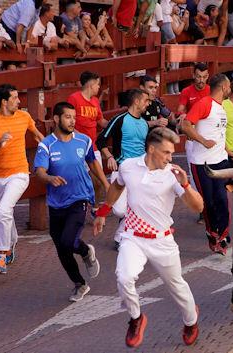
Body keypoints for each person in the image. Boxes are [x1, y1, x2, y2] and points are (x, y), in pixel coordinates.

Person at [93, 127, 204, 348]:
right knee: (124, 277)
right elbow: (117, 186)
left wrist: (185, 184)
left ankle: (191, 322)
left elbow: (198, 206)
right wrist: (103, 212)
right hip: (132, 237)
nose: (170, 158)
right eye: (166, 152)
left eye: (172, 153)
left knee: (176, 286)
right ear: (152, 149)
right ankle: (136, 318)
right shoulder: (128, 167)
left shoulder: (173, 175)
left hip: (162, 240)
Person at [34, 102, 109, 302]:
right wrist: (49, 178)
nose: (72, 121)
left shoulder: (83, 141)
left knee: (68, 240)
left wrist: (106, 184)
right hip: (56, 202)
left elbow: (93, 162)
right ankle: (80, 284)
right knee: (61, 247)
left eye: (74, 117)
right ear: (57, 119)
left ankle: (85, 251)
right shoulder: (46, 145)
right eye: (68, 117)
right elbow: (40, 171)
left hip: (80, 197)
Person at [0, 84, 44, 274]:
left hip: (20, 173)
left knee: (3, 210)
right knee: (4, 213)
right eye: (15, 98)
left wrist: (49, 150)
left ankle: (2, 255)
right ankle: (12, 242)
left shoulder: (24, 116)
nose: (19, 101)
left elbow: (39, 136)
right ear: (4, 102)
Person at [181, 73, 233, 255]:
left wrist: (228, 151)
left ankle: (223, 234)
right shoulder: (204, 103)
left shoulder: (221, 107)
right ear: (223, 87)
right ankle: (212, 234)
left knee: (222, 199)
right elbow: (186, 125)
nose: (230, 90)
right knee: (209, 202)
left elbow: (219, 134)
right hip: (202, 163)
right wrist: (203, 141)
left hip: (220, 160)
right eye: (229, 86)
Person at [96, 88, 150, 248]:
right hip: (121, 169)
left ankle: (121, 237)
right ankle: (126, 231)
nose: (148, 104)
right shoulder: (120, 119)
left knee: (139, 206)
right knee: (120, 210)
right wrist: (109, 157)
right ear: (137, 101)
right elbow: (101, 141)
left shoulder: (145, 123)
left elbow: (147, 148)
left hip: (140, 171)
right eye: (146, 101)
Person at [67, 71, 109, 211]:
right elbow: (67, 121)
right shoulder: (74, 99)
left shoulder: (95, 101)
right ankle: (81, 207)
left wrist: (115, 125)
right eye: (98, 84)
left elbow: (100, 120)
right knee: (82, 179)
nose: (99, 88)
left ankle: (95, 207)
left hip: (93, 146)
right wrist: (80, 137)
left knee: (97, 180)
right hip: (77, 146)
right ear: (91, 84)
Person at [177, 62, 210, 224]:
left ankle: (210, 206)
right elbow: (181, 108)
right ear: (193, 76)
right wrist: (182, 115)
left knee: (211, 170)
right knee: (195, 173)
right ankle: (202, 209)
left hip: (209, 137)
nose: (201, 80)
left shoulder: (211, 90)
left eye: (204, 77)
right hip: (192, 138)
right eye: (198, 76)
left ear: (208, 77)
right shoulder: (186, 91)